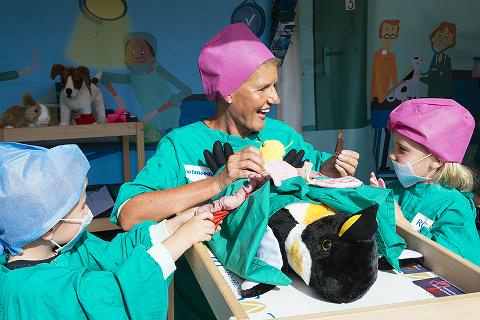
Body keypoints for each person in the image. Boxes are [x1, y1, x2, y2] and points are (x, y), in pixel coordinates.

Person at [111, 23, 360, 319]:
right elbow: (130, 214)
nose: (276, 98)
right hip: (204, 304)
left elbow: (319, 183)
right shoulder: (182, 145)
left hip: (284, 299)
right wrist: (218, 182)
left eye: (276, 86)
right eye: (264, 88)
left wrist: (332, 169)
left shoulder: (282, 135)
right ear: (228, 91)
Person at [0, 142, 218, 319]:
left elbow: (113, 255)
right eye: (82, 206)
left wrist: (175, 225)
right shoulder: (32, 290)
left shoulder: (61, 248)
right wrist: (182, 239)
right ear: (47, 228)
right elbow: (116, 294)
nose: (89, 211)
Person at [370, 98, 480, 266]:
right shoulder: (395, 190)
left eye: (402, 149)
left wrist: (403, 225)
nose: (392, 155)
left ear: (436, 159)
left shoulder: (454, 206)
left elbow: (459, 263)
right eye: (394, 146)